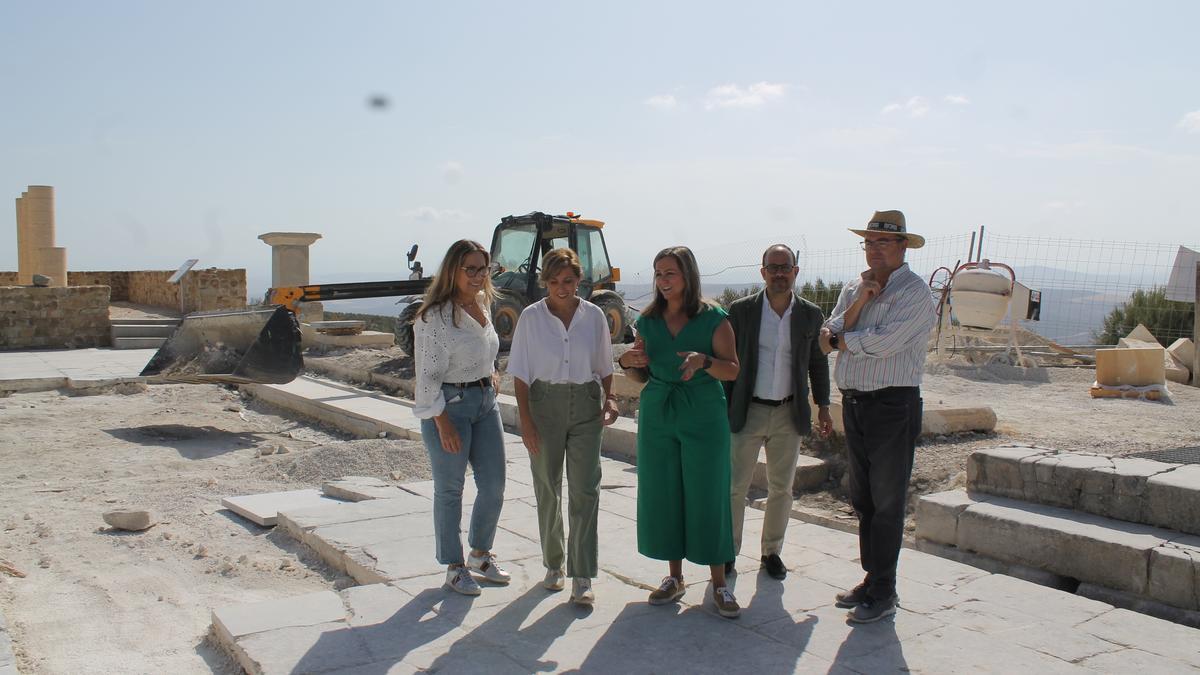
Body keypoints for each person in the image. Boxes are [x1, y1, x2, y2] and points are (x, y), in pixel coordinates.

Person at [819, 210, 936, 623]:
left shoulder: (916, 294)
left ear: (903, 247)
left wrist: (842, 338)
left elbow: (883, 344)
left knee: (887, 500)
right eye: (869, 242)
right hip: (855, 402)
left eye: (883, 243)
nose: (874, 250)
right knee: (864, 498)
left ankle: (884, 589)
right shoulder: (855, 286)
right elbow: (825, 336)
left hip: (892, 405)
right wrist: (860, 306)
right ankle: (873, 578)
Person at [616, 246, 743, 618]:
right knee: (664, 492)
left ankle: (719, 583)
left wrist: (704, 361)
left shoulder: (714, 318)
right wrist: (627, 361)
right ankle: (674, 577)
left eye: (670, 273)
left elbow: (733, 369)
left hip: (703, 411)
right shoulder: (649, 320)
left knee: (709, 493)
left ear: (687, 275)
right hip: (658, 412)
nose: (663, 280)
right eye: (658, 273)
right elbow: (640, 373)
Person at [508, 248, 621, 606]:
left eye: (568, 281)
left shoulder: (594, 316)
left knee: (586, 488)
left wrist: (611, 398)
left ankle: (582, 574)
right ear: (545, 282)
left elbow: (605, 365)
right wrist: (525, 420)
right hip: (544, 407)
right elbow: (521, 374)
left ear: (579, 280)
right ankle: (554, 563)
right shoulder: (530, 317)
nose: (561, 288)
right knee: (548, 487)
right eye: (554, 281)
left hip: (587, 406)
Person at [724, 244, 833, 581]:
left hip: (788, 412)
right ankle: (727, 552)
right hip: (747, 410)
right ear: (763, 272)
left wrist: (824, 407)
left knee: (781, 489)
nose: (780, 274)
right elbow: (727, 360)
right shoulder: (741, 311)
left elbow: (817, 362)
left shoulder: (810, 314)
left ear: (796, 272)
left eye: (786, 267)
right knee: (734, 488)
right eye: (773, 267)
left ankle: (771, 552)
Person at [413, 239, 510, 596]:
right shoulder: (433, 318)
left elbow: (487, 347)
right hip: (448, 407)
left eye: (482, 268)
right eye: (469, 268)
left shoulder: (483, 304)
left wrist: (493, 370)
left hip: (485, 402)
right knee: (450, 489)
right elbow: (425, 377)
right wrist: (441, 422)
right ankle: (454, 567)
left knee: (495, 485)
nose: (477, 275)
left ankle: (480, 554)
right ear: (452, 270)